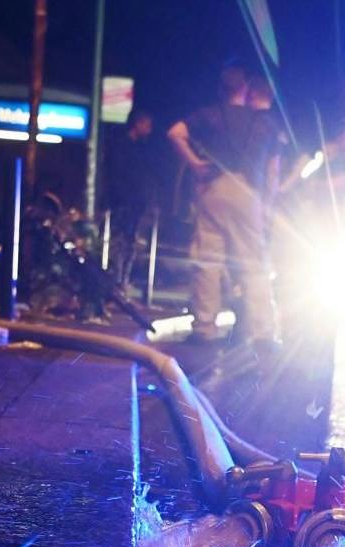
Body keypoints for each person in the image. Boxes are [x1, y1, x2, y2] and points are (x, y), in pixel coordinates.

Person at [166, 65, 280, 344]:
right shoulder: (264, 123)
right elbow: (273, 171)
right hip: (248, 192)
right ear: (245, 90)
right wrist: (266, 204)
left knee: (208, 260)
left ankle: (204, 327)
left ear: (221, 88)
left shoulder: (209, 114)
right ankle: (263, 331)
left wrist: (194, 163)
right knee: (254, 264)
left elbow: (174, 133)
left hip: (212, 188)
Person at [102, 109, 159, 297]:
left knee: (128, 242)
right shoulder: (126, 147)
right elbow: (123, 175)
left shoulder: (134, 147)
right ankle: (118, 281)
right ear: (138, 123)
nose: (149, 130)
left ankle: (121, 280)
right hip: (125, 201)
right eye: (147, 125)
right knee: (122, 242)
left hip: (131, 202)